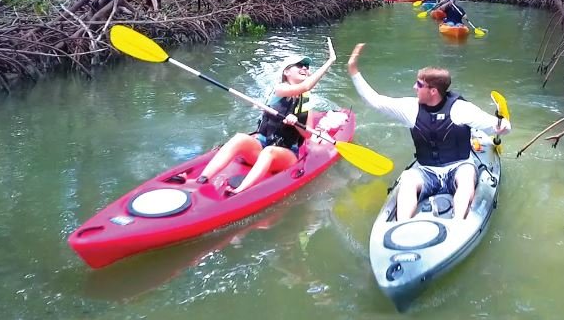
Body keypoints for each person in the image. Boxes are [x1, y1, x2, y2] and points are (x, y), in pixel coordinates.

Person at [347, 43, 510, 222]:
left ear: (433, 91)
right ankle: (401, 226)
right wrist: (353, 70)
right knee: (408, 178)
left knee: (466, 177)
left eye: (419, 84)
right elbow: (374, 101)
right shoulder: (409, 108)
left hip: (458, 166)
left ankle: (458, 223)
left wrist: (504, 126)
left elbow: (500, 126)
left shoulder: (461, 109)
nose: (414, 87)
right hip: (426, 170)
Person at [190, 39, 336, 195]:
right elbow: (306, 86)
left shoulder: (306, 101)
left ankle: (239, 192)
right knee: (240, 138)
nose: (305, 68)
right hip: (261, 145)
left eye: (307, 67)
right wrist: (329, 61)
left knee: (269, 152)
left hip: (285, 155)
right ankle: (202, 179)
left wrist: (295, 123)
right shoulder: (280, 89)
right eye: (299, 65)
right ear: (286, 72)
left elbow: (307, 134)